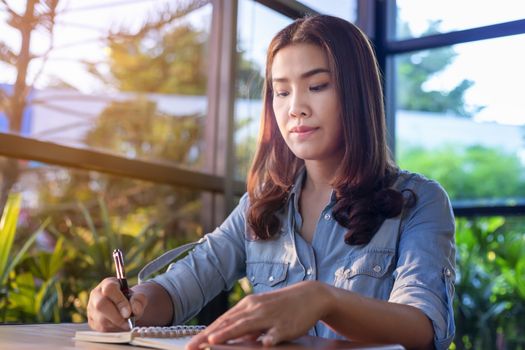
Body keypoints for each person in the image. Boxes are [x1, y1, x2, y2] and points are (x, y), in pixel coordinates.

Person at [87, 15, 456, 350]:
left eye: (318, 85)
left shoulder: (419, 201)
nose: (295, 107)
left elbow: (422, 328)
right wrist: (128, 304)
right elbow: (181, 286)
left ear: (357, 94)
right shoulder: (261, 206)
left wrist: (324, 299)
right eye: (281, 92)